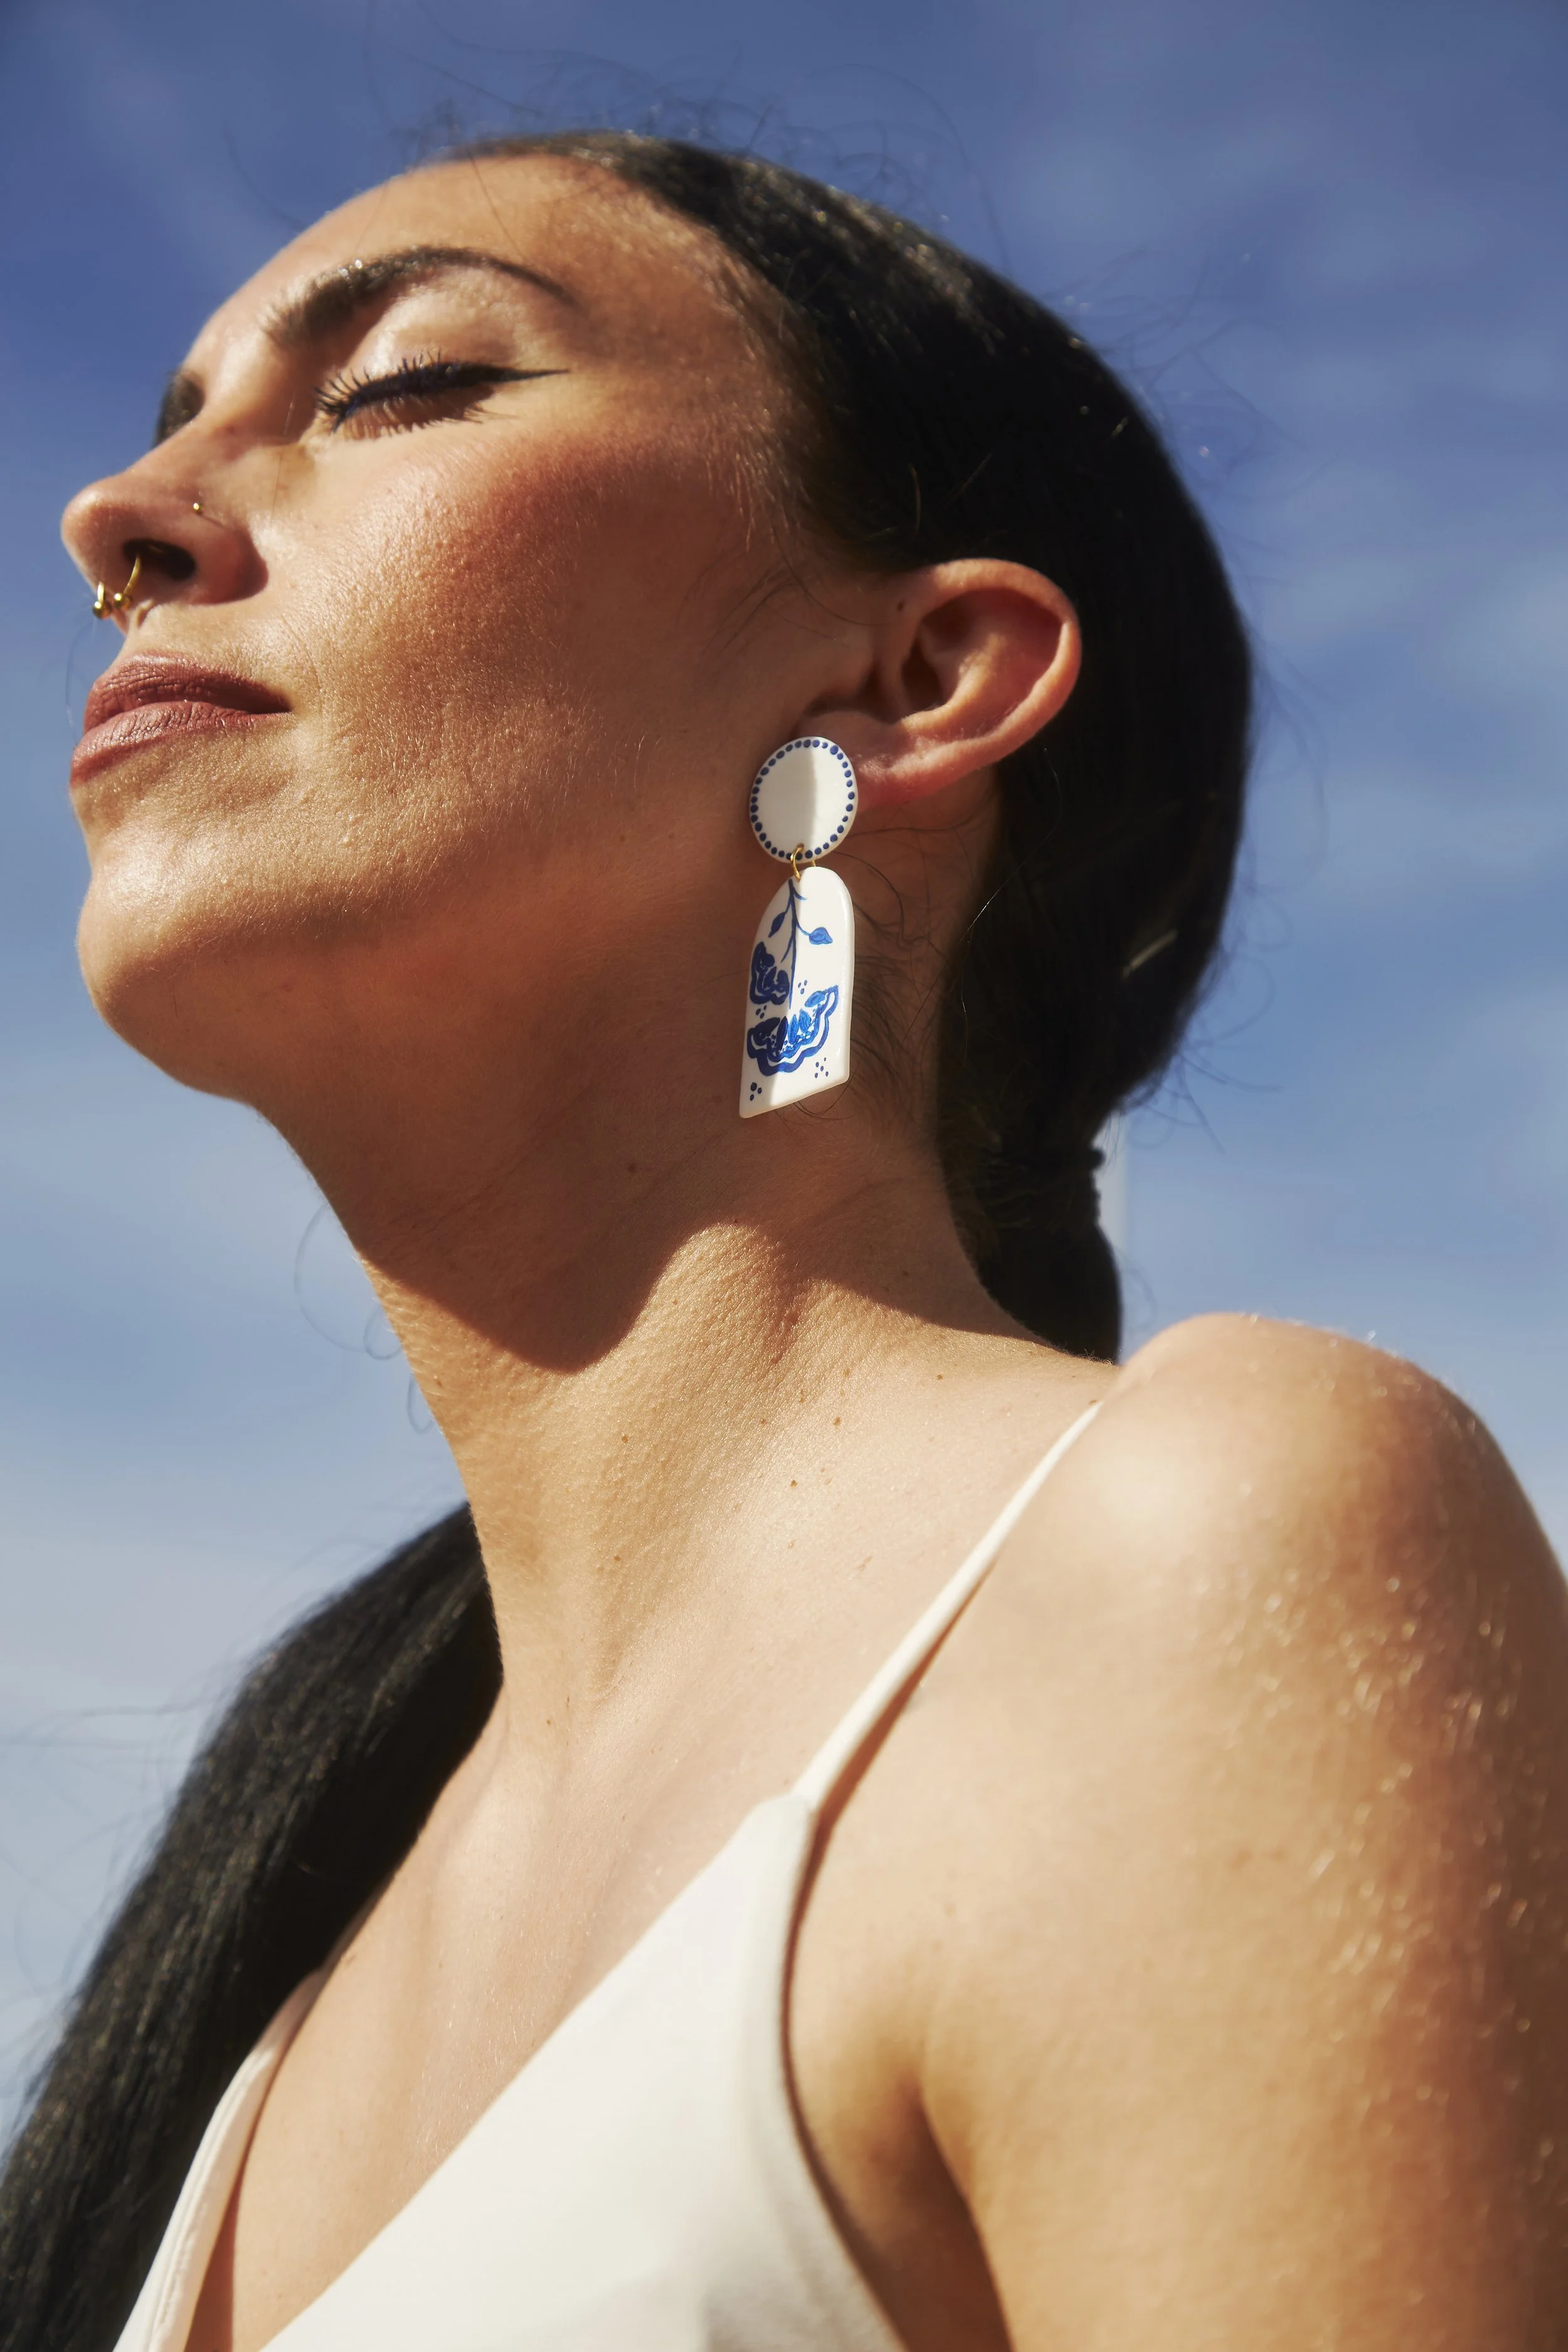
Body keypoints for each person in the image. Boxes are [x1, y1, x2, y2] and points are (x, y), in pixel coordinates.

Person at [3, 129, 1564, 2352]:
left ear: (918, 681)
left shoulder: (1199, 1548)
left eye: (406, 384)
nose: (119, 521)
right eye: (170, 424)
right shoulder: (263, 1982)